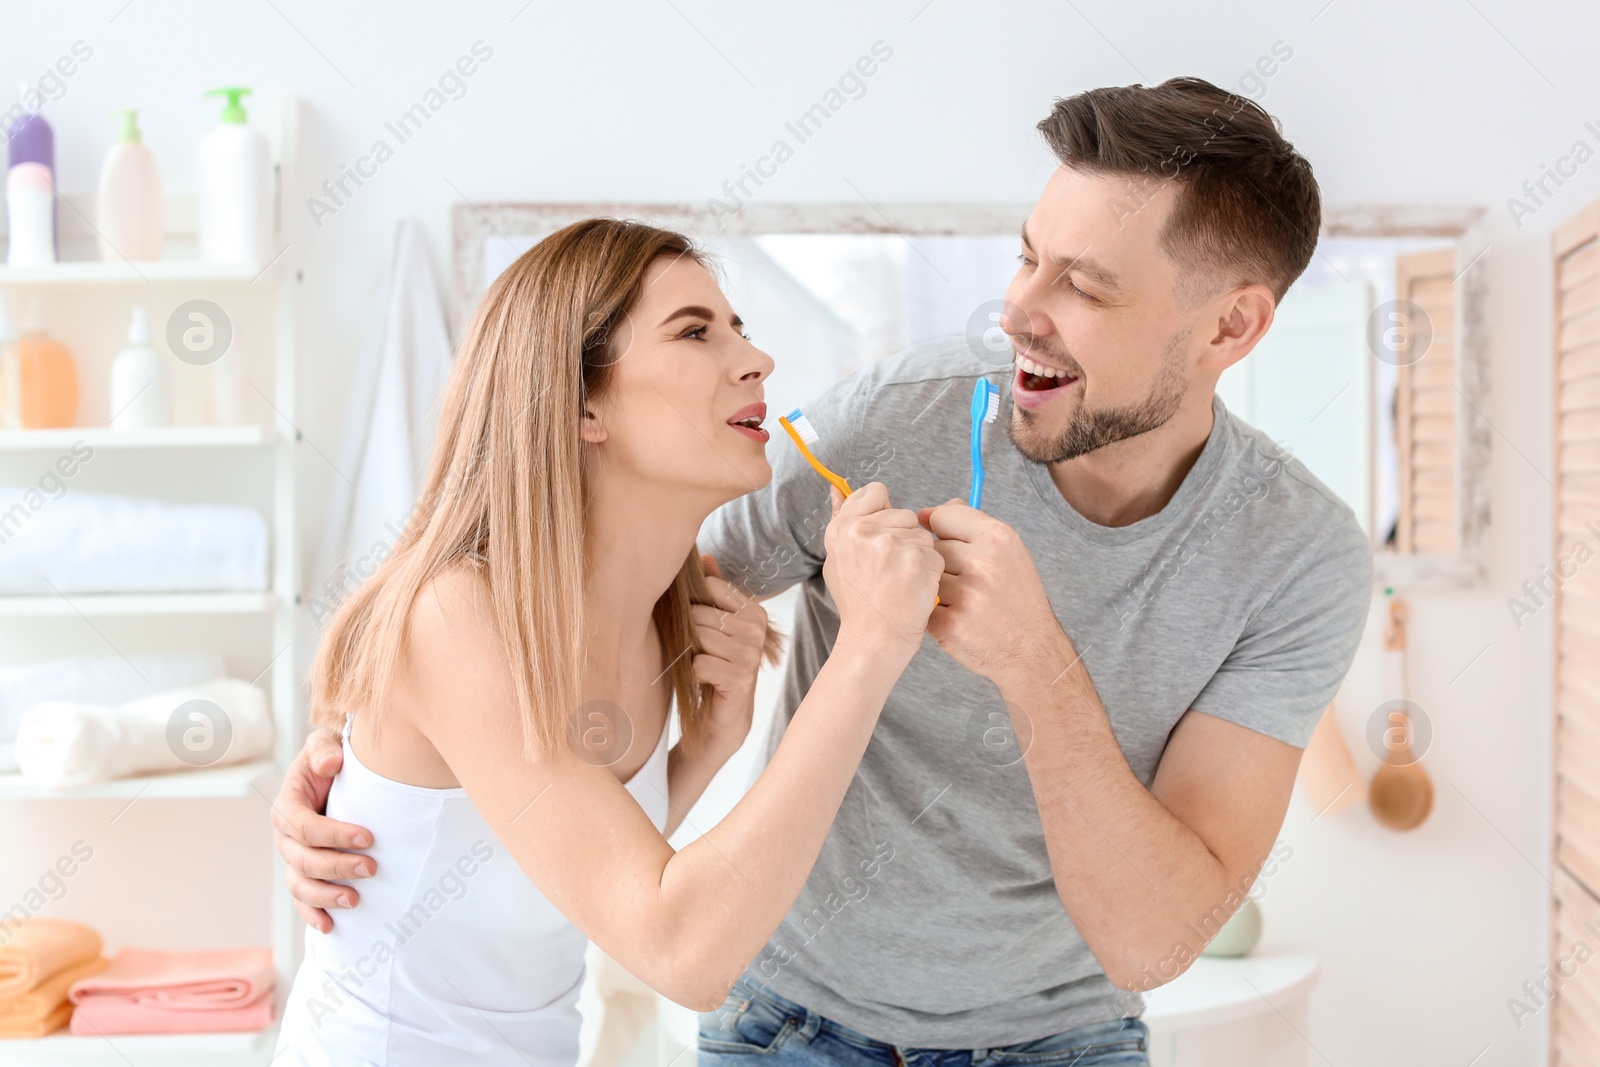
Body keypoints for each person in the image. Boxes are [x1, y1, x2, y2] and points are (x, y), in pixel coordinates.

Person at [276, 76, 1373, 1067]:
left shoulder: (1296, 557)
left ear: (1233, 325)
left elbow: (1152, 939)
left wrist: (1031, 661)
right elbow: (546, 625)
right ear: (580, 404)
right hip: (788, 1023)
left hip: (1063, 1033)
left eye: (1082, 283)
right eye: (1024, 255)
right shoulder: (895, 424)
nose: (1017, 310)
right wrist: (359, 748)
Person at [270, 217, 946, 1065]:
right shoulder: (454, 616)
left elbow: (585, 881)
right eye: (695, 331)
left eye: (740, 329)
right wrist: (871, 646)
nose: (754, 360)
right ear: (582, 401)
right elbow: (681, 950)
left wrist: (706, 749)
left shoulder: (660, 613)